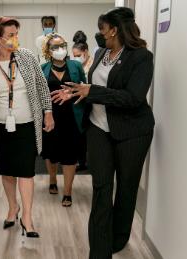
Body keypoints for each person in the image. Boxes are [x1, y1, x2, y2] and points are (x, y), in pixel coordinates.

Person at [51, 7, 155, 259]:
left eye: (102, 28)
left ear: (114, 29)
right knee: (101, 188)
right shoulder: (100, 53)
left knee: (127, 189)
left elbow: (133, 98)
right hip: (98, 129)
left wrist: (91, 92)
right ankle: (99, 252)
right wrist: (75, 92)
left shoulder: (141, 57)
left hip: (132, 132)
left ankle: (118, 240)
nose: (99, 33)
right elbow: (93, 87)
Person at [0, 17, 54, 238]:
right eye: (10, 34)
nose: (15, 38)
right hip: (0, 126)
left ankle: (27, 217)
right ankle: (13, 207)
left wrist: (48, 112)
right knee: (7, 171)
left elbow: (41, 85)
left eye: (16, 33)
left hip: (27, 124)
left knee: (26, 172)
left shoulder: (27, 57)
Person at [40, 33, 86, 207]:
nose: (60, 49)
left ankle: (67, 192)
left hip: (72, 117)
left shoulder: (75, 66)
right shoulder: (42, 68)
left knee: (70, 155)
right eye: (55, 47)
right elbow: (39, 94)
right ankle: (52, 179)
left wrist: (71, 93)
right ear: (48, 51)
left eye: (62, 45)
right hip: (50, 116)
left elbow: (84, 88)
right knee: (51, 153)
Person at [71, 30, 94, 171]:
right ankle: (79, 160)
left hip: (91, 103)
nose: (75, 59)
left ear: (85, 51)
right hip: (78, 103)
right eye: (73, 56)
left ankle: (85, 161)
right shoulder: (74, 64)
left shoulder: (93, 65)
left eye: (78, 56)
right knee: (78, 134)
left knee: (87, 134)